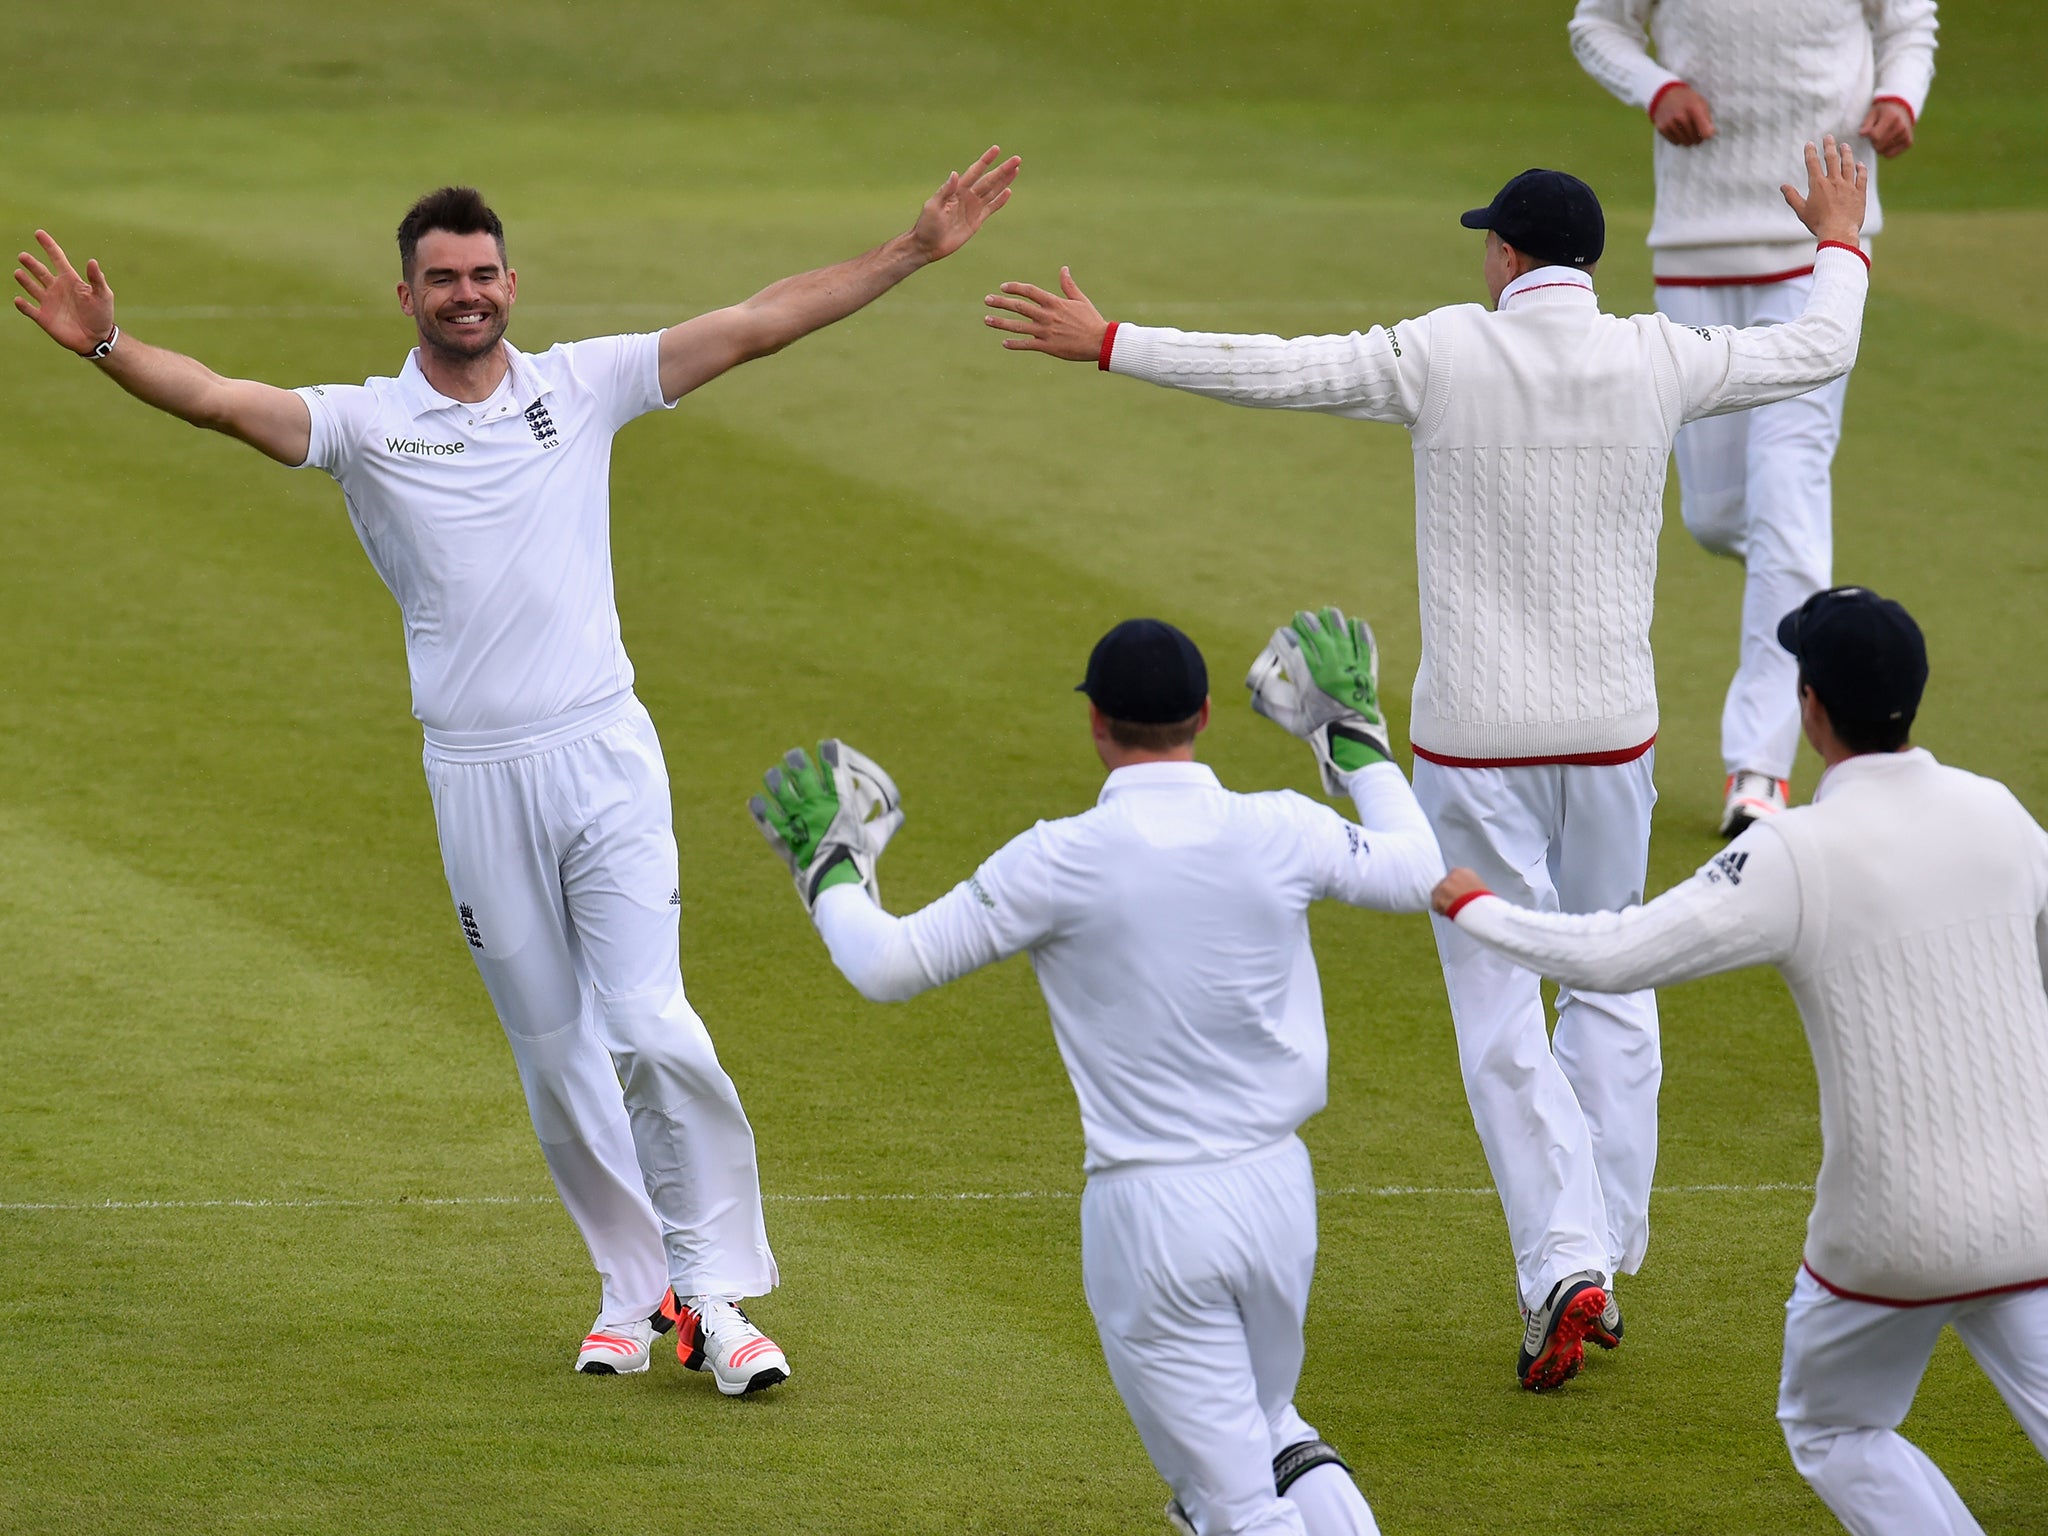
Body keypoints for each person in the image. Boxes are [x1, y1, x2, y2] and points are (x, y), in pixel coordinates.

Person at [11, 147, 1021, 1391]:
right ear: (407, 297)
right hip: (475, 776)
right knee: (554, 1055)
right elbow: (223, 399)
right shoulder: (366, 427)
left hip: (602, 753)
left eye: (483, 273)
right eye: (441, 279)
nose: (466, 295)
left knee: (652, 1026)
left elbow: (755, 323)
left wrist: (910, 251)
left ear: (511, 281)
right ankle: (632, 1286)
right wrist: (110, 349)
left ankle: (711, 1291)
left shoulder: (584, 385)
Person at [981, 142, 1872, 1389]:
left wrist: (1115, 339)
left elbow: (1278, 372)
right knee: (1615, 977)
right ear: (1588, 264)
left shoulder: (1446, 348)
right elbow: (1815, 349)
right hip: (1612, 735)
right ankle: (1599, 1248)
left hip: (1474, 743)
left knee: (1501, 998)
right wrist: (1840, 232)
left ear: (1505, 256)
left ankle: (1565, 1259)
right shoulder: (1658, 353)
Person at [748, 613, 1443, 1536]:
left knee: (1233, 1505)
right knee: (1271, 1427)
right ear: (1204, 714)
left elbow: (887, 964)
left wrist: (832, 867)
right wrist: (1352, 734)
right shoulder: (1282, 828)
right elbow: (1417, 867)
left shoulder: (1059, 860)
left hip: (1154, 1222)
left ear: (1096, 725)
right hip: (1280, 1196)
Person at [1431, 585, 2048, 1536]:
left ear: (1808, 709)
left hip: (1887, 1240)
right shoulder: (2003, 815)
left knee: (1833, 1427)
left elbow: (1615, 957)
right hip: (2032, 1217)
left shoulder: (1793, 852)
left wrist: (1481, 910)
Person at [1569, 0, 1939, 835]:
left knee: (1787, 489)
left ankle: (1759, 771)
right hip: (1698, 243)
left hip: (1822, 239)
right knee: (1718, 514)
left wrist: (1900, 94)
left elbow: (1909, 21)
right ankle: (1801, 581)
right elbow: (1598, 26)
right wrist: (1656, 85)